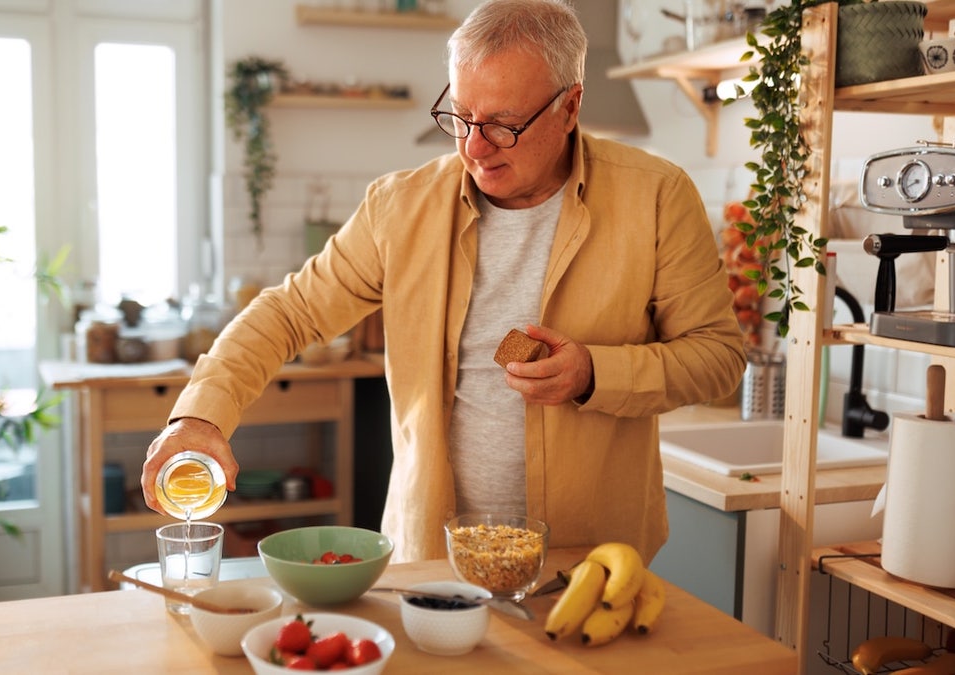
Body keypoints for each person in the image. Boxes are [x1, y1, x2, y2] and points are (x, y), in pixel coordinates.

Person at [142, 0, 745, 564]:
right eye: (460, 116)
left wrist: (594, 374)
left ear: (570, 106)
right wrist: (199, 418)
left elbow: (718, 357)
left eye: (504, 124)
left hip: (587, 560)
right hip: (431, 558)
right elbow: (288, 313)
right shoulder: (399, 206)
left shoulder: (658, 196)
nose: (474, 148)